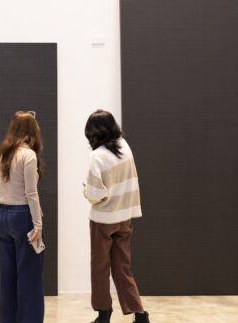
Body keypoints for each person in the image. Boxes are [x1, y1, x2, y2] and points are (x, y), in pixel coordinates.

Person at [83, 110, 150, 323]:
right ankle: (139, 313)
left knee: (100, 268)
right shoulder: (124, 146)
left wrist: (85, 189)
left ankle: (104, 313)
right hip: (125, 217)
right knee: (123, 267)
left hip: (103, 220)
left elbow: (96, 195)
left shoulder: (97, 156)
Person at [0, 111, 45, 323]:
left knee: (7, 277)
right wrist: (38, 225)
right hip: (22, 215)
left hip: (3, 214)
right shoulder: (28, 155)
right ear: (32, 130)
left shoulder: (2, 153)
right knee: (29, 276)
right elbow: (31, 193)